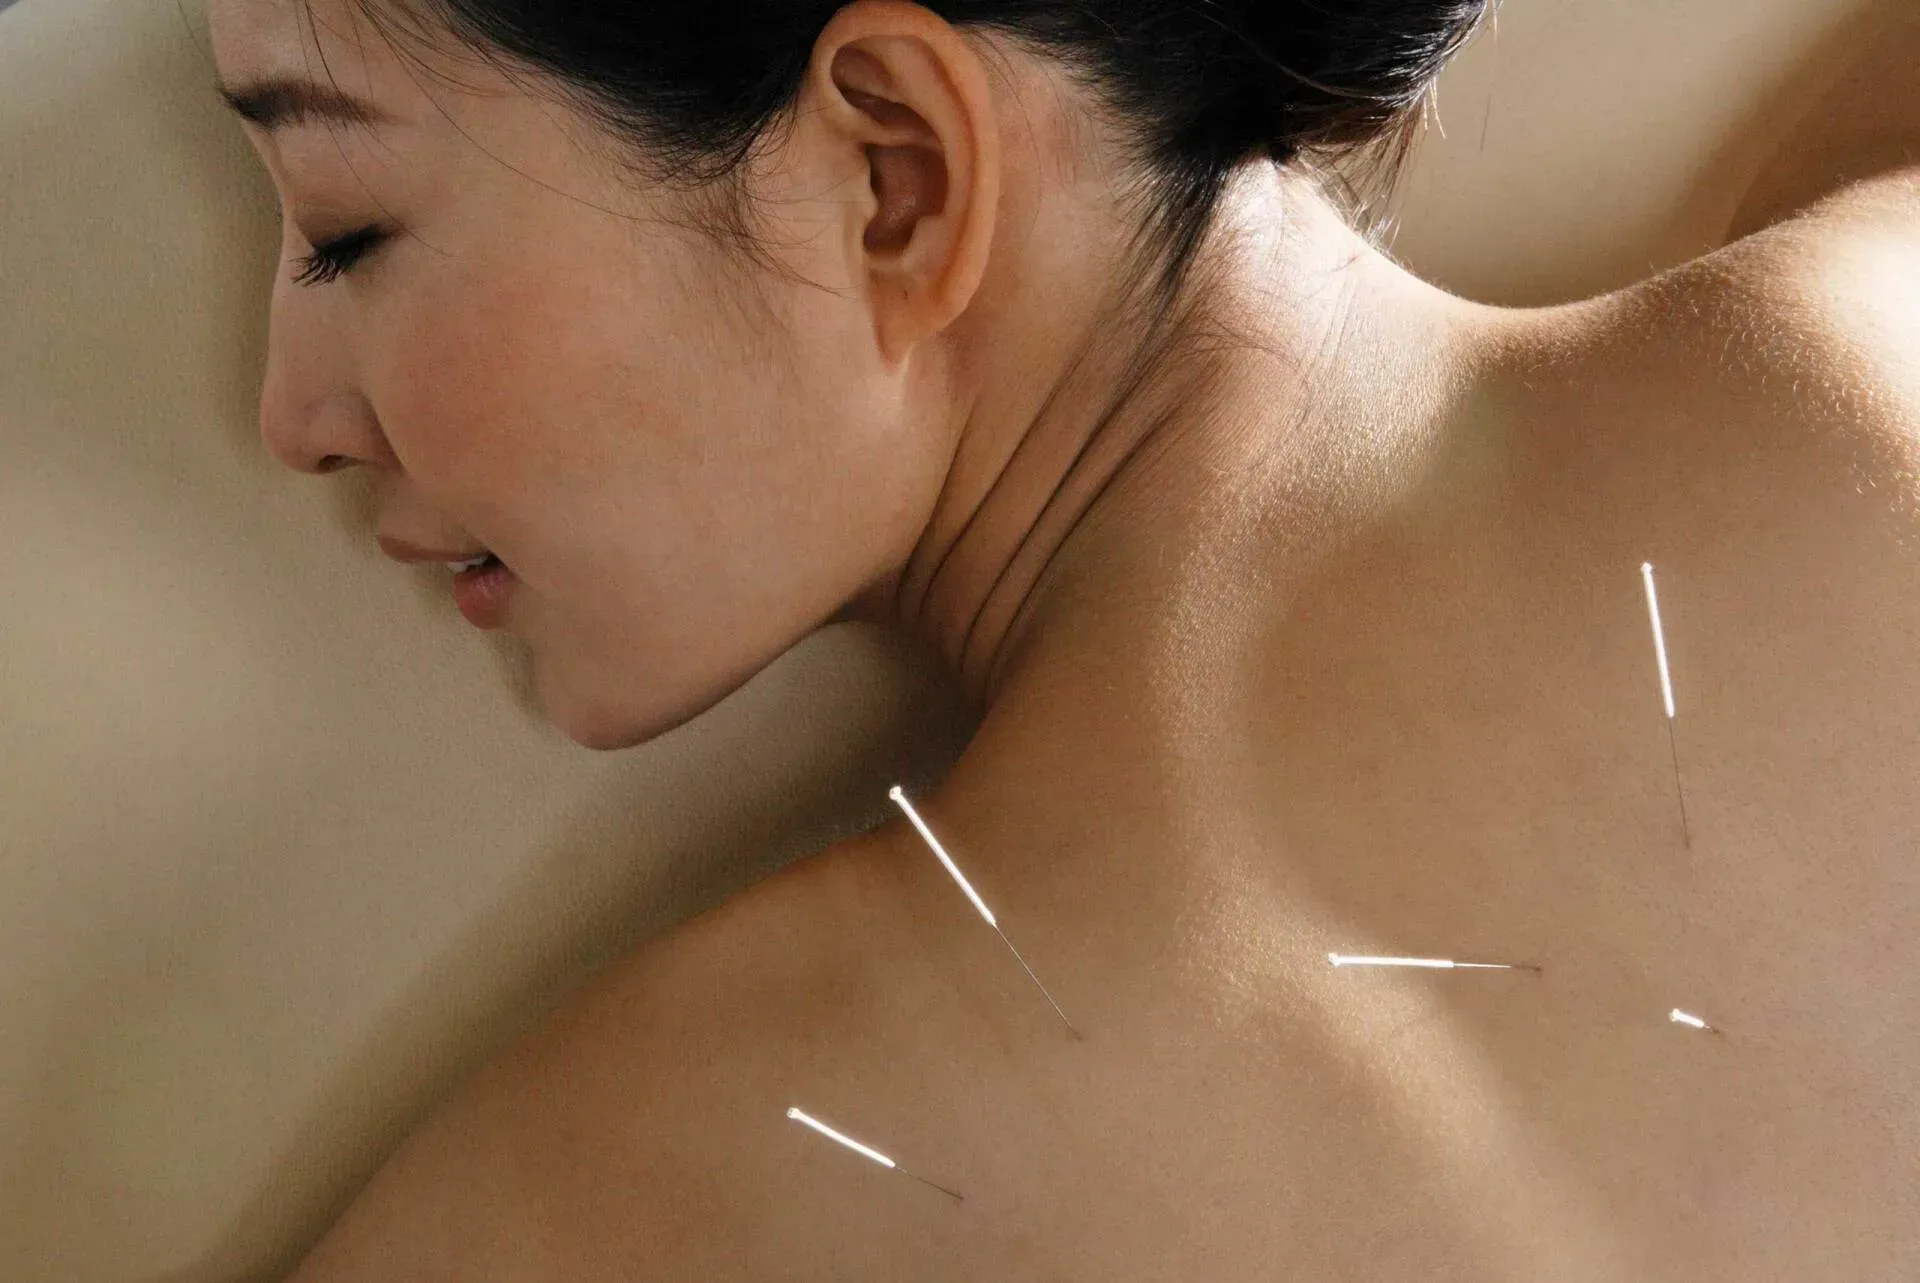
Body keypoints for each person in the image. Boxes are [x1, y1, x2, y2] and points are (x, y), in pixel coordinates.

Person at [208, 0, 1920, 1276]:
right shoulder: (1871, 354)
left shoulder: (651, 1183)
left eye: (351, 228)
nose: (286, 417)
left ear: (895, 175)